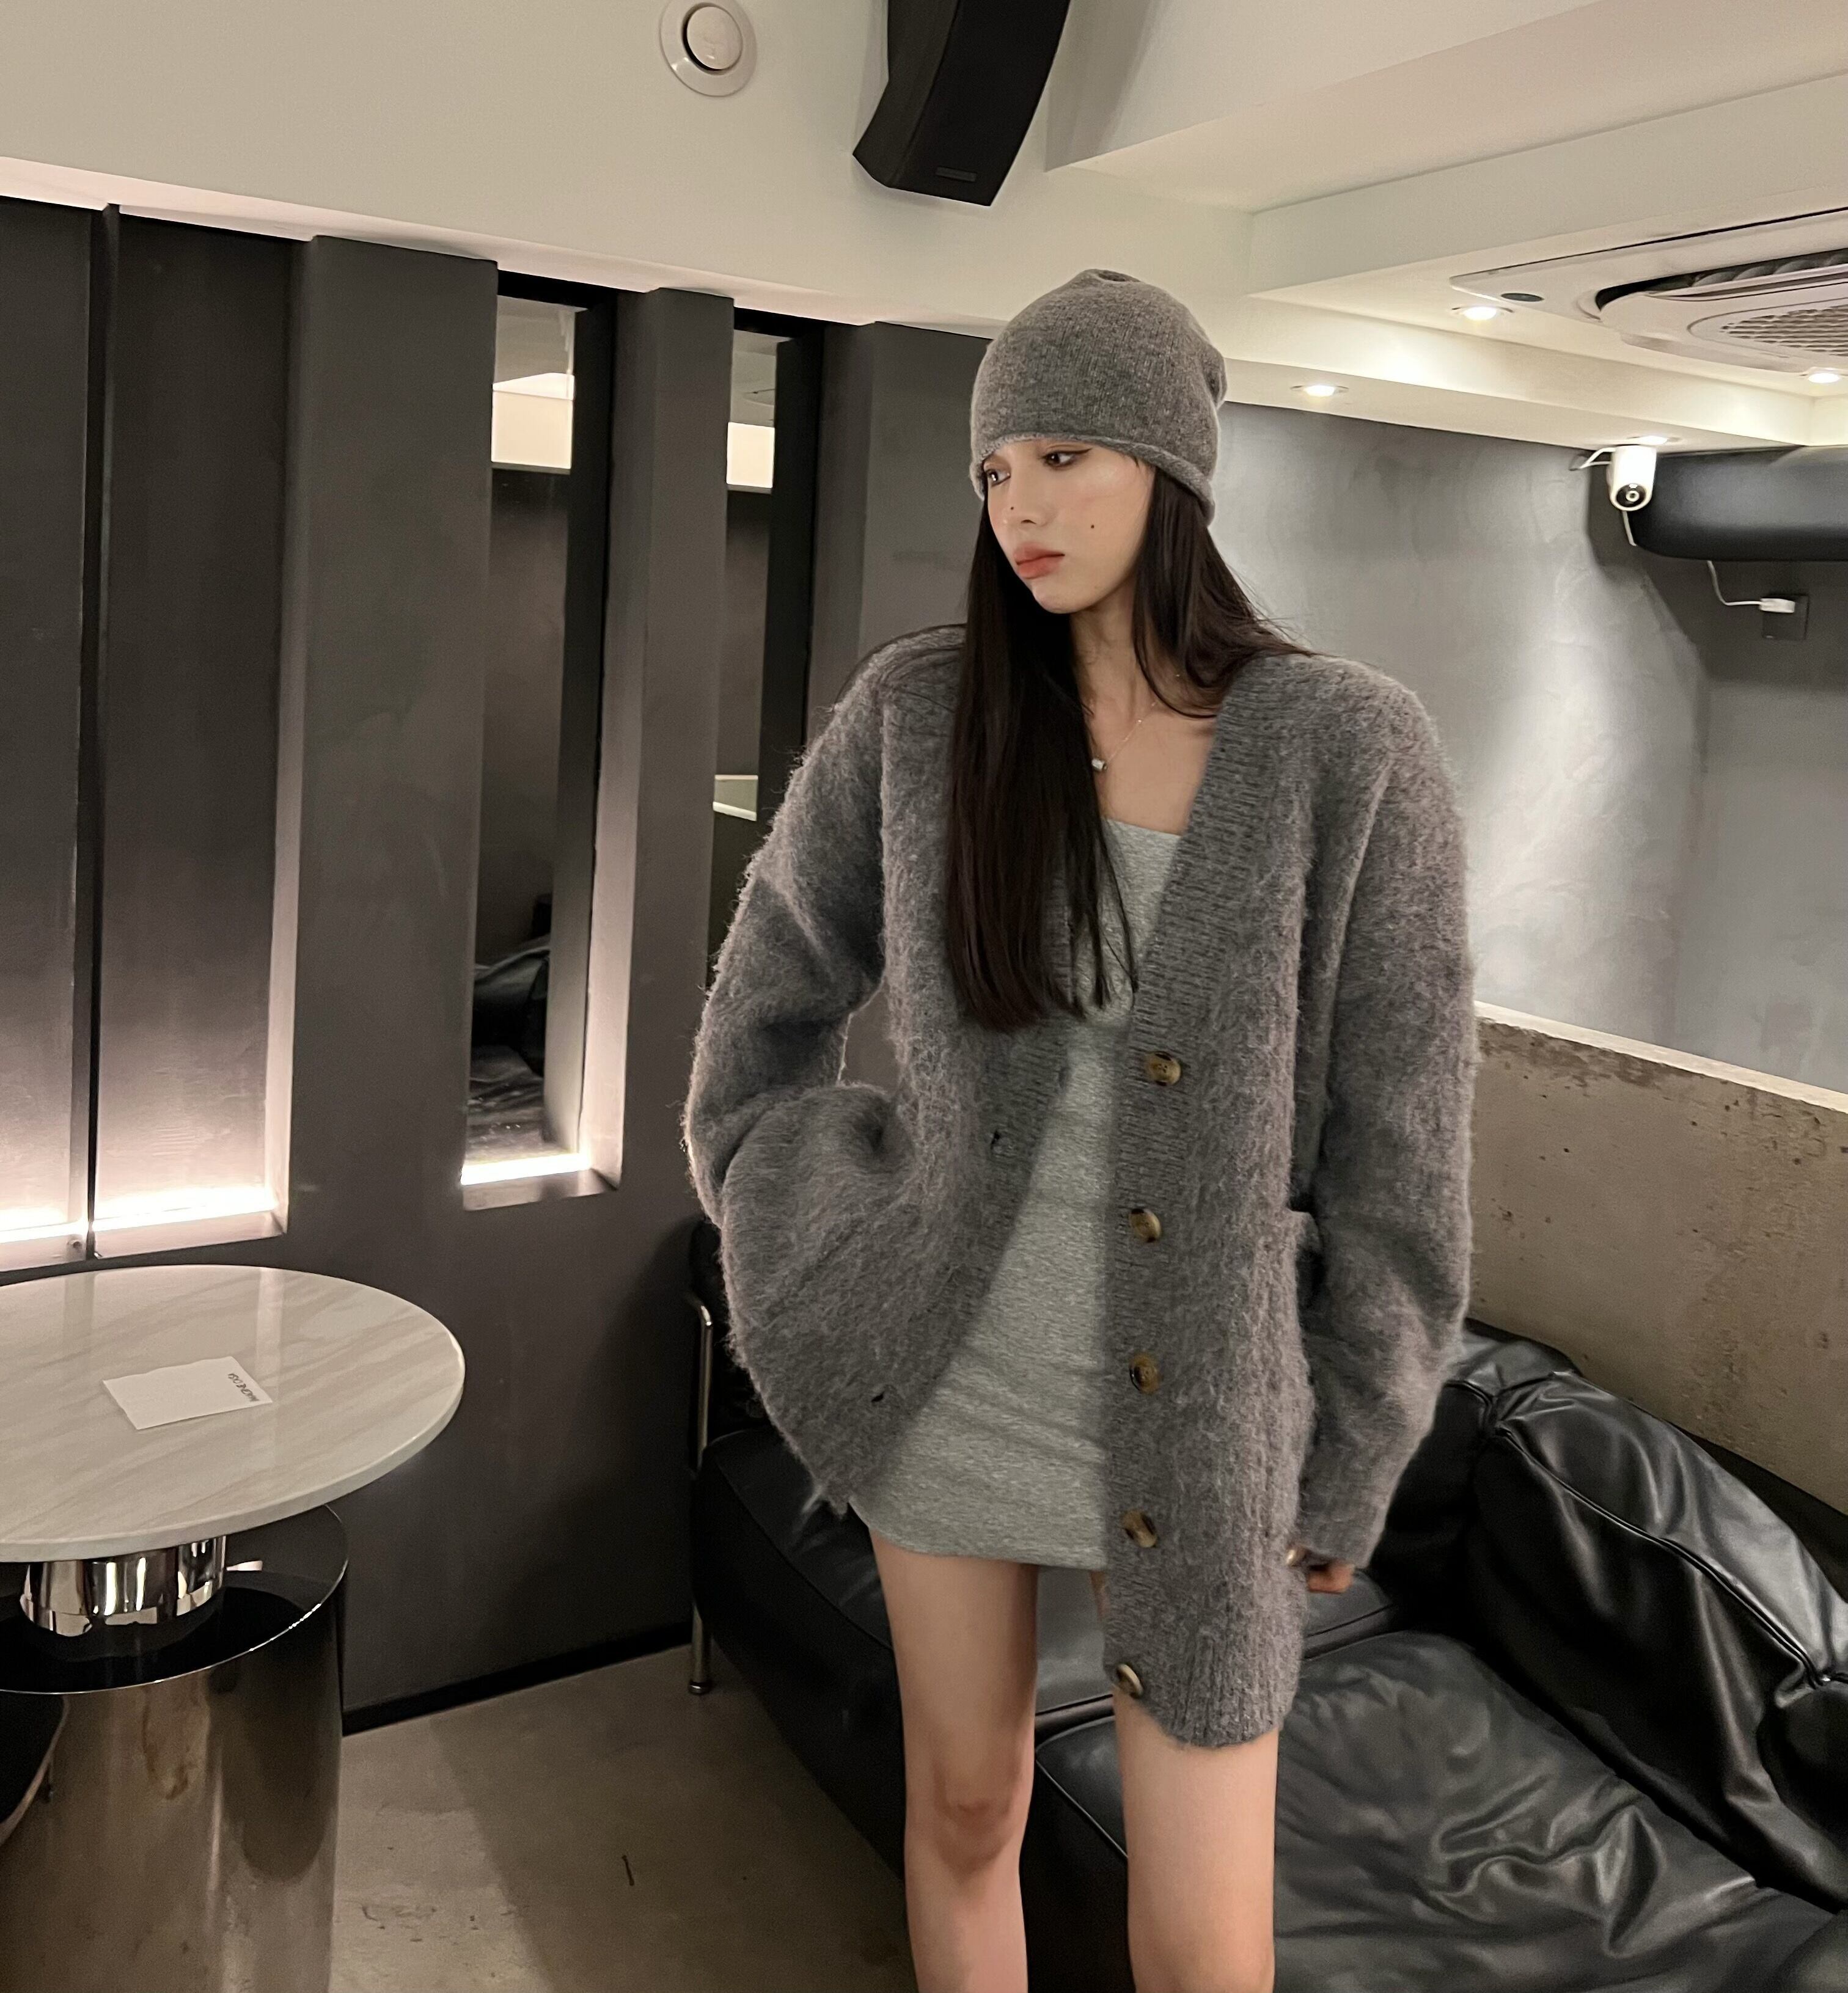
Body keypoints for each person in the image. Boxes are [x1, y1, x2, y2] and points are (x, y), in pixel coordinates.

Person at [682, 269, 1479, 1993]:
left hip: (1207, 1418)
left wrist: (1356, 1443)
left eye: (1063, 457)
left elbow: (1407, 1149)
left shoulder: (1348, 747)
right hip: (949, 1373)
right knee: (967, 1810)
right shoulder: (923, 715)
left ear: (1168, 466)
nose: (1021, 508)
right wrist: (780, 1189)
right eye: (996, 471)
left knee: (1205, 1948)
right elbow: (770, 996)